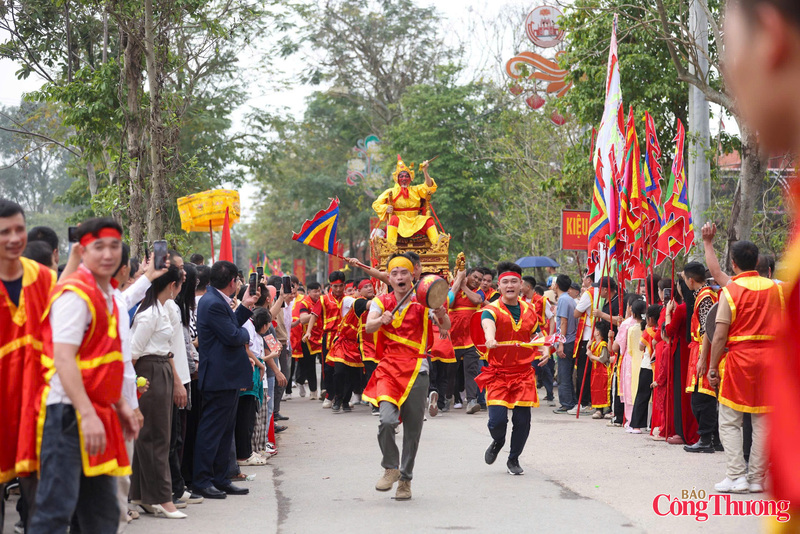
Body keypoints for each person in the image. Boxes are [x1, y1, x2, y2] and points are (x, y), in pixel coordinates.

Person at [30, 218, 139, 533]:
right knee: (54, 512)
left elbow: (100, 364)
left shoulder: (109, 295)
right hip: (68, 414)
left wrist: (121, 405)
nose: (108, 254)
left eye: (114, 246)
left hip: (97, 413)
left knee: (102, 515)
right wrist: (88, 414)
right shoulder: (75, 293)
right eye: (98, 247)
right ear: (83, 250)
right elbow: (63, 359)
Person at [363, 254, 450, 500]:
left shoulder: (424, 301)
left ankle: (406, 480)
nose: (400, 277)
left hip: (417, 370)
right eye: (395, 273)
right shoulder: (381, 301)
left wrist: (441, 313)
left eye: (404, 272)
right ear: (388, 277)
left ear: (414, 275)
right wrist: (381, 319)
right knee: (387, 420)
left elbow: (447, 327)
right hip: (389, 369)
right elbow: (369, 327)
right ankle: (391, 467)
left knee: (413, 430)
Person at [707, 241, 784, 493]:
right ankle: (756, 478)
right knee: (763, 423)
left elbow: (719, 336)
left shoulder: (731, 290)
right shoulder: (778, 290)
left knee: (730, 420)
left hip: (740, 361)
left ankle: (736, 476)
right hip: (771, 363)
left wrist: (713, 367)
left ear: (734, 263)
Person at [0, 200, 56, 532]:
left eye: (19, 229)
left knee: (40, 504)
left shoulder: (47, 280)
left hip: (38, 407)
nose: (13, 238)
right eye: (4, 231)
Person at [192, 260, 259, 500]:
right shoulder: (212, 303)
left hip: (226, 376)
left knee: (223, 432)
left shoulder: (216, 300)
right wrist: (244, 336)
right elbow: (233, 335)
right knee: (212, 432)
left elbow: (230, 326)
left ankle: (221, 478)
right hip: (219, 376)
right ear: (233, 281)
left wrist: (246, 306)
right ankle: (202, 480)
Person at [478, 261, 549, 475]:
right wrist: (490, 338)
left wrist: (545, 347)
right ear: (499, 286)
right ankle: (498, 441)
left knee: (522, 420)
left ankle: (514, 458)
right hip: (499, 374)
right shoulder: (491, 310)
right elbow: (487, 325)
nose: (510, 285)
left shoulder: (529, 311)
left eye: (514, 282)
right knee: (496, 422)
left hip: (523, 374)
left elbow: (538, 335)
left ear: (521, 285)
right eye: (505, 282)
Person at [129, 264, 188, 518]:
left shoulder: (161, 309)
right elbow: (132, 354)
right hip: (149, 372)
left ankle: (143, 495)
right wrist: (136, 383)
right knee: (156, 437)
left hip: (161, 368)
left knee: (154, 436)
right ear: (172, 285)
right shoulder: (149, 314)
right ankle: (163, 498)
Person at [680, 262, 720, 454]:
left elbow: (707, 330)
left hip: (704, 349)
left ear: (691, 280)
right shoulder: (706, 294)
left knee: (702, 398)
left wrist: (703, 359)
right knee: (704, 397)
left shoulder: (705, 297)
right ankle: (714, 439)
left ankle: (706, 439)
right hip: (701, 348)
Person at [372, 155, 439, 246]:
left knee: (428, 220)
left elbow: (429, 187)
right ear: (397, 179)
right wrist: (386, 208)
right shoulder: (391, 191)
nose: (404, 178)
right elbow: (376, 204)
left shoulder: (416, 190)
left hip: (415, 221)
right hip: (399, 224)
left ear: (410, 178)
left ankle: (437, 246)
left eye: (406, 176)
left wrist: (425, 171)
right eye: (401, 176)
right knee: (394, 219)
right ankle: (390, 248)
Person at [449, 267, 485, 414]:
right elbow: (448, 303)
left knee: (471, 371)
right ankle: (445, 400)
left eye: (479, 279)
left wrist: (463, 285)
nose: (477, 281)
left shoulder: (479, 293)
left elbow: (477, 300)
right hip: (453, 338)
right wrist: (458, 282)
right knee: (451, 371)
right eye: (475, 277)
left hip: (471, 339)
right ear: (467, 276)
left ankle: (471, 401)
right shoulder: (454, 290)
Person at [327, 294, 366, 413]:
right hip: (342, 343)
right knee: (339, 371)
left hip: (356, 346)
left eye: (371, 286)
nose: (369, 289)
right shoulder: (350, 301)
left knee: (352, 375)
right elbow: (357, 304)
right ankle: (338, 397)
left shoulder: (371, 307)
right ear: (359, 290)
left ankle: (345, 401)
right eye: (366, 287)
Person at [628, 305, 662, 434]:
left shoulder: (648, 331)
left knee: (642, 395)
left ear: (651, 319)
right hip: (658, 367)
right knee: (657, 397)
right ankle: (654, 424)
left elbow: (641, 347)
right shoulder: (661, 330)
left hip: (647, 365)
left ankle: (636, 425)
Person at [522, 276, 555, 405]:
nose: (519, 287)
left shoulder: (542, 300)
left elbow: (551, 318)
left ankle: (550, 393)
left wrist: (550, 337)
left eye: (521, 285)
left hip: (540, 335)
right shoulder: (520, 300)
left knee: (544, 366)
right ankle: (528, 393)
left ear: (528, 287)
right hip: (527, 337)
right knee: (529, 366)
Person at [552, 275, 578, 414]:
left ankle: (566, 403)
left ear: (557, 285)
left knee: (563, 374)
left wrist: (560, 343)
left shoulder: (563, 300)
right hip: (571, 339)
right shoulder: (570, 299)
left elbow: (563, 322)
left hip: (566, 340)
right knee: (567, 373)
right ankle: (571, 401)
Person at [321, 271, 346, 407]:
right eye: (335, 286)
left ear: (344, 285)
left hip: (344, 338)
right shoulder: (323, 299)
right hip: (329, 338)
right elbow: (314, 315)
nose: (338, 289)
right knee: (328, 369)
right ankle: (329, 395)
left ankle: (341, 397)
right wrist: (308, 331)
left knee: (341, 369)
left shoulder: (349, 299)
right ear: (331, 285)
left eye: (340, 286)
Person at [298, 281, 323, 400]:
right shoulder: (304, 303)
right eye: (315, 291)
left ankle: (325, 389)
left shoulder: (323, 301)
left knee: (326, 364)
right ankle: (313, 390)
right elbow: (302, 319)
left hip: (322, 335)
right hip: (308, 337)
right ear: (309, 292)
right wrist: (316, 313)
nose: (318, 293)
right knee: (309, 365)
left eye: (319, 291)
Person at [587, 322, 612, 419]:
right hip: (595, 371)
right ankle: (598, 409)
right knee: (595, 390)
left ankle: (606, 409)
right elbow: (591, 358)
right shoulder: (593, 344)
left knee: (603, 390)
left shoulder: (603, 344)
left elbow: (603, 359)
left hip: (602, 372)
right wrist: (588, 348)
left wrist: (591, 355)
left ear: (597, 332)